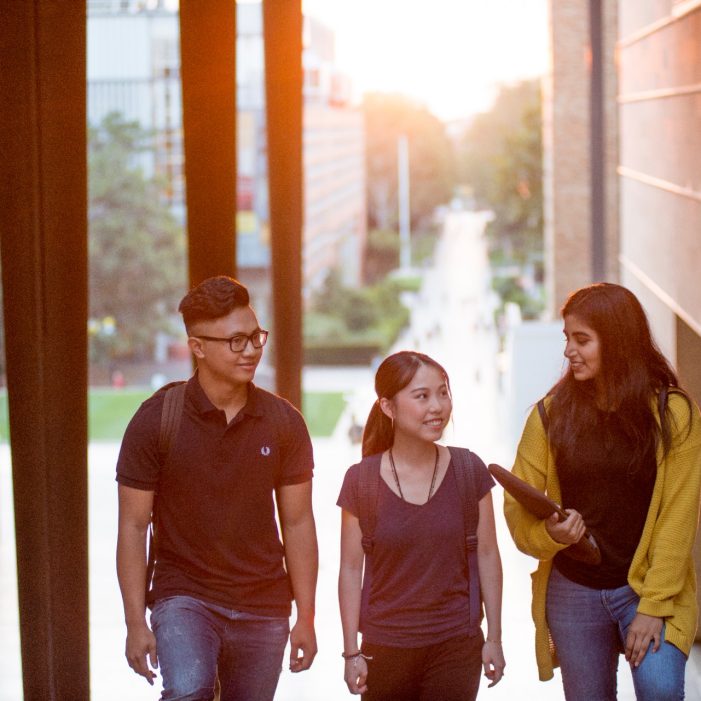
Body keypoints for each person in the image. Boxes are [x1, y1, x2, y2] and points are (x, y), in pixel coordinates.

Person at [116, 275, 318, 700]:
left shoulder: (284, 423)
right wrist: (135, 622)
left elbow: (298, 523)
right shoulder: (156, 421)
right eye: (236, 341)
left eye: (255, 337)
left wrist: (307, 616)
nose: (251, 351)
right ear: (197, 346)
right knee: (189, 691)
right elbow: (133, 528)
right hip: (184, 595)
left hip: (263, 603)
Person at [504, 282, 701, 700]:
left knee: (661, 691)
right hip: (573, 592)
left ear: (617, 342)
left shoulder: (673, 413)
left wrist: (653, 606)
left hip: (648, 589)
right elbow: (515, 506)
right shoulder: (548, 416)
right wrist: (549, 536)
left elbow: (678, 517)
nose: (569, 351)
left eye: (582, 340)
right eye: (567, 339)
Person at [337, 351, 505, 700]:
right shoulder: (361, 480)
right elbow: (351, 570)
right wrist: (351, 651)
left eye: (443, 392)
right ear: (388, 407)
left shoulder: (468, 470)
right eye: (422, 396)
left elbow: (488, 555)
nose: (438, 407)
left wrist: (494, 638)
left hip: (455, 644)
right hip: (384, 647)